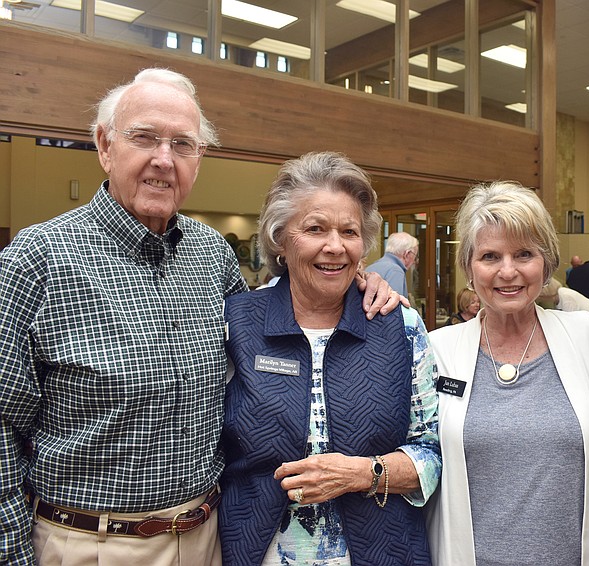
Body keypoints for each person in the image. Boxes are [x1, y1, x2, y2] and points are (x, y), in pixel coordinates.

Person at [0, 69, 401, 566]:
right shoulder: (37, 259)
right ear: (104, 145)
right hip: (90, 543)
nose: (163, 159)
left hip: (207, 539)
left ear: (199, 158)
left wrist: (357, 279)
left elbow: (278, 321)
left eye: (182, 144)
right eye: (144, 138)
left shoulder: (213, 255)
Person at [219, 152, 441, 566]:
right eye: (315, 228)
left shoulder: (399, 326)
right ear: (281, 238)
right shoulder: (238, 323)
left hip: (383, 552)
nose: (335, 246)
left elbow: (432, 453)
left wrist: (362, 474)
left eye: (349, 231)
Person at [426, 181, 589, 566]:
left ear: (546, 263)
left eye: (524, 254)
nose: (507, 271)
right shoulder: (437, 351)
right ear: (469, 268)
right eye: (490, 256)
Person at [366, 231, 419, 298]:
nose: (414, 261)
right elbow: (395, 303)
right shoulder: (396, 271)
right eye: (415, 256)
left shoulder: (371, 266)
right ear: (407, 254)